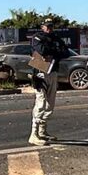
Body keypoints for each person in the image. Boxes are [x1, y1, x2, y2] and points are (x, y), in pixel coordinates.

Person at [28, 18, 70, 146]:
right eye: (47, 26)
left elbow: (66, 52)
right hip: (40, 72)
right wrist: (54, 51)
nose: (49, 28)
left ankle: (42, 131)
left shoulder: (56, 38)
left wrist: (53, 53)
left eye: (51, 26)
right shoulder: (37, 37)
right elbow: (42, 50)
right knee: (41, 102)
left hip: (53, 71)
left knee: (50, 105)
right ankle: (33, 134)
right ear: (42, 27)